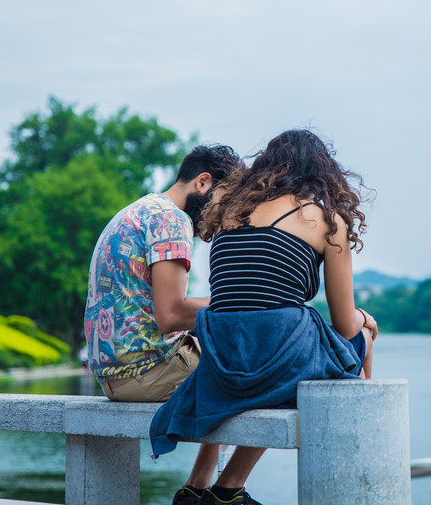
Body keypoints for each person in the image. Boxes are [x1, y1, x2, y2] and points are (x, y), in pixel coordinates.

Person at [149, 129, 377, 505]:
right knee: (360, 343)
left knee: (267, 345)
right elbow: (343, 324)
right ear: (322, 174)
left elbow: (237, 297)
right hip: (273, 345)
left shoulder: (228, 213)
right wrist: (366, 319)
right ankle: (353, 469)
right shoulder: (327, 220)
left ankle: (208, 486)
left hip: (220, 347)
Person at [83, 144, 242, 505]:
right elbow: (170, 315)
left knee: (228, 351)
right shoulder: (173, 221)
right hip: (144, 372)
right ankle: (219, 490)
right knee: (255, 364)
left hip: (114, 376)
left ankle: (199, 486)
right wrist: (240, 299)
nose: (226, 215)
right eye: (226, 201)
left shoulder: (140, 209)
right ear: (203, 182)